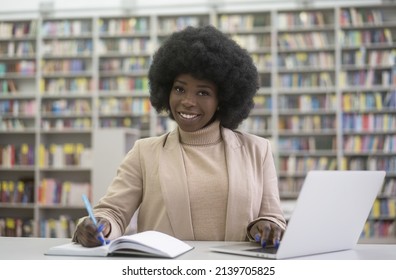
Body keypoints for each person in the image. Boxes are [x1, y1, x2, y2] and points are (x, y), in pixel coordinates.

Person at [72, 25, 286, 248]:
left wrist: (266, 228)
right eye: (179, 89)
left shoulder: (257, 150)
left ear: (222, 99)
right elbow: (113, 212)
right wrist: (101, 225)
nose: (187, 101)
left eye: (203, 92)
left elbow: (272, 217)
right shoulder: (144, 152)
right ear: (166, 90)